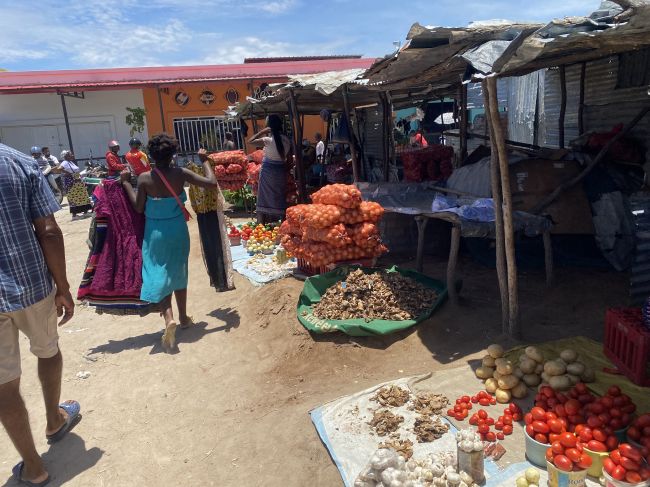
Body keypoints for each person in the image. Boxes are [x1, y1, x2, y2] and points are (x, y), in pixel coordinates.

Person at [0, 143, 79, 487]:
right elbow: (48, 230)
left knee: (3, 388)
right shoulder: (17, 162)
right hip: (31, 285)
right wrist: (63, 287)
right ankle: (54, 420)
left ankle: (34, 469)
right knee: (48, 350)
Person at [120, 134, 219, 350]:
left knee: (158, 271)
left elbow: (138, 207)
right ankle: (183, 318)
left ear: (151, 156)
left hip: (155, 232)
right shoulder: (180, 173)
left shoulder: (145, 178)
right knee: (178, 271)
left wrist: (127, 184)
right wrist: (204, 161)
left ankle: (169, 318)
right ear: (173, 154)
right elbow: (211, 183)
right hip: (177, 230)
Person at [247, 114, 292, 224]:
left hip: (268, 171)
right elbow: (290, 160)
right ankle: (282, 224)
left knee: (263, 197)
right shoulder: (286, 140)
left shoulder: (267, 140)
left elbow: (250, 141)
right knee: (279, 196)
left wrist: (262, 131)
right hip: (280, 171)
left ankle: (261, 225)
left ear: (269, 126)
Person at [59, 150, 92, 216]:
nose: (72, 155)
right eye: (70, 154)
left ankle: (85, 212)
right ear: (66, 156)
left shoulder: (70, 162)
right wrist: (69, 173)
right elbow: (59, 168)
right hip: (72, 181)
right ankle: (74, 215)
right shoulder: (65, 162)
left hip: (77, 181)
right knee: (73, 196)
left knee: (82, 196)